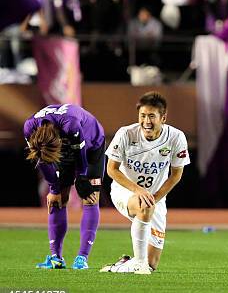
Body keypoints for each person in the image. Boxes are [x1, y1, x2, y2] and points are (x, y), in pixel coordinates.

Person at [101, 92, 190, 274]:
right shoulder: (126, 134)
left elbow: (176, 175)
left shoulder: (176, 137)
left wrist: (155, 198)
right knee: (144, 205)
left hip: (155, 197)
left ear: (163, 118)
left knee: (153, 264)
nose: (146, 121)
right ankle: (139, 262)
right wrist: (138, 191)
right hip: (125, 192)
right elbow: (112, 169)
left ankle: (122, 265)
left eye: (152, 116)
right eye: (143, 116)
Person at [24, 104, 106, 270]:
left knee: (90, 198)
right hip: (63, 148)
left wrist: (82, 178)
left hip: (91, 145)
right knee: (57, 200)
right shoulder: (29, 128)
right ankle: (56, 258)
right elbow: (42, 161)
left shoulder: (71, 124)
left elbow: (80, 156)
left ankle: (82, 258)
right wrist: (54, 190)